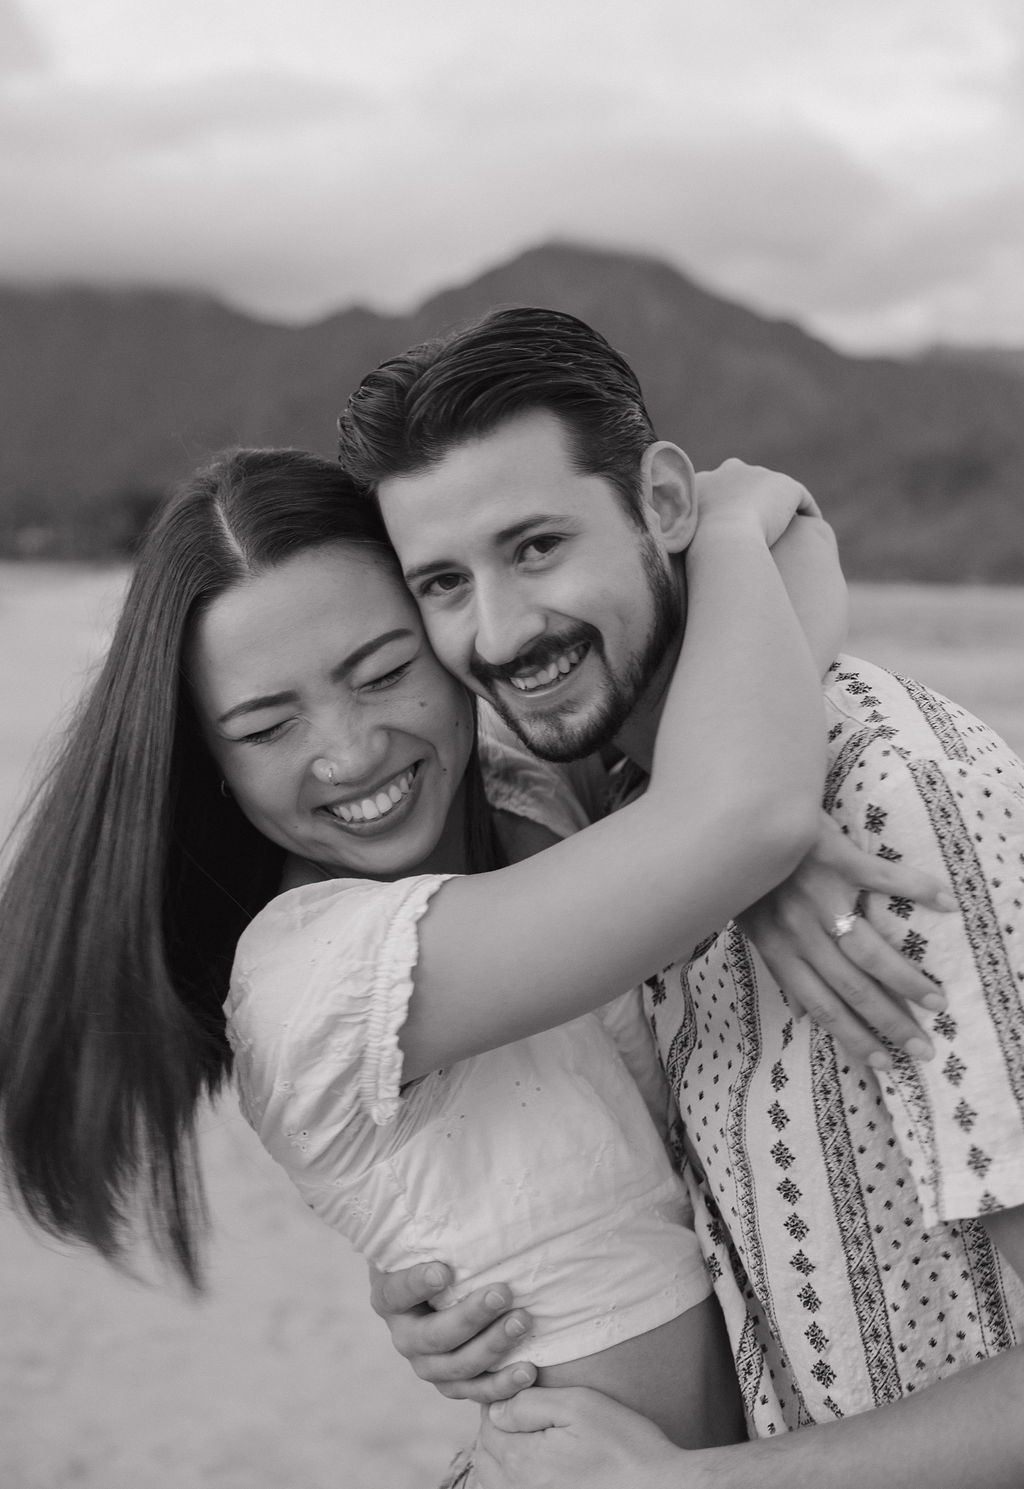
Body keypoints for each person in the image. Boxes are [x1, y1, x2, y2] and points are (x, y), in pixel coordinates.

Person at [0, 444, 866, 1462]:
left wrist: (745, 532)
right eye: (269, 726)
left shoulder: (530, 793)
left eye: (384, 673)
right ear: (214, 763)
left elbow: (792, 571)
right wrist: (755, 830)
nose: (351, 752)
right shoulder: (316, 978)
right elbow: (743, 805)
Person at [335, 307, 1024, 1489]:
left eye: (537, 545)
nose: (498, 631)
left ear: (661, 505)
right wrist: (433, 1291)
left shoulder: (895, 811)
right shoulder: (626, 828)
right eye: (443, 581)